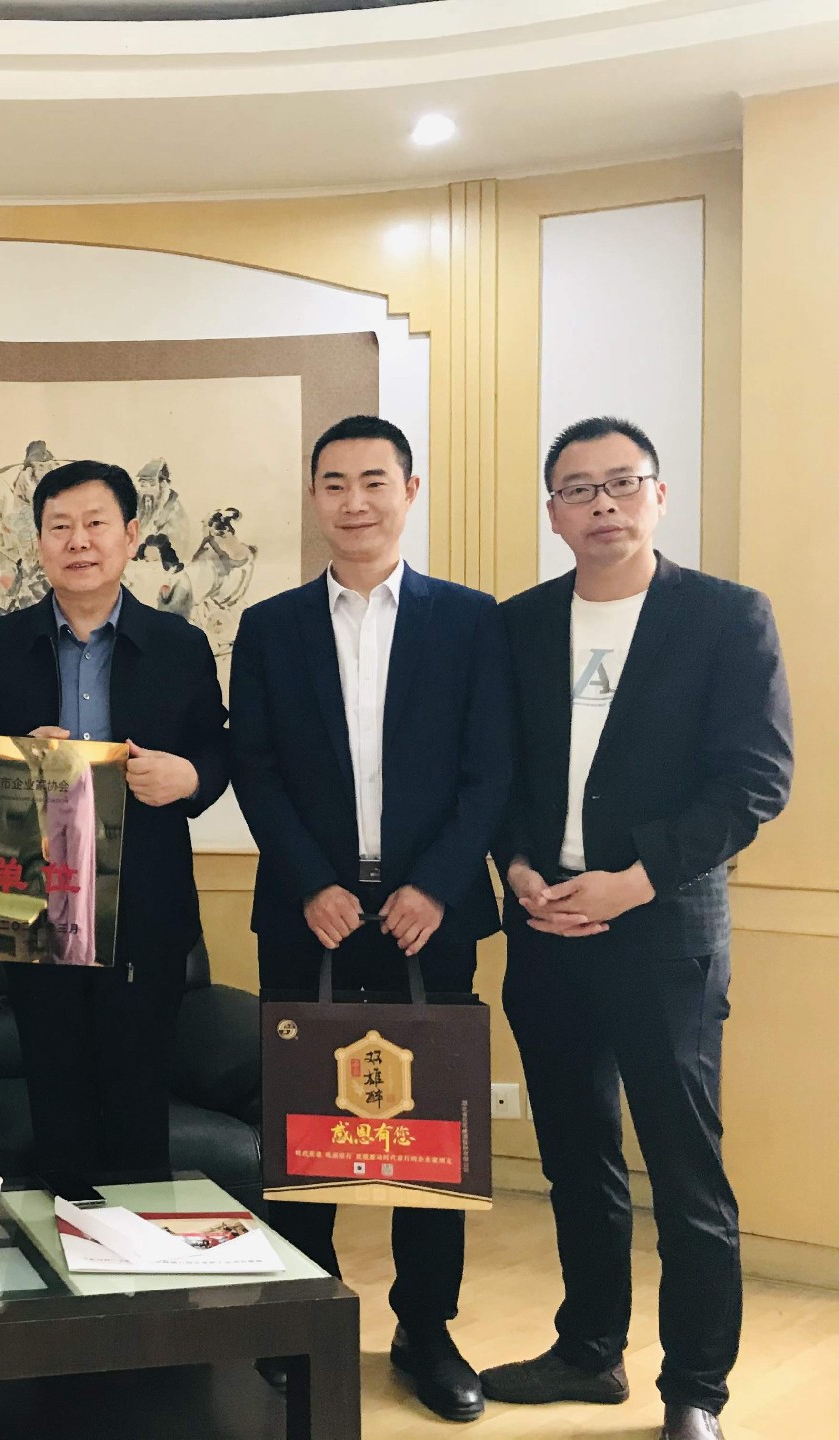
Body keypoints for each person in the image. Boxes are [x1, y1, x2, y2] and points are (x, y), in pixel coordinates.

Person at [481, 418, 792, 1440]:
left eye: (622, 483)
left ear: (658, 495)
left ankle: (696, 1390)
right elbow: (499, 775)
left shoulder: (725, 617)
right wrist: (517, 868)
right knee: (576, 1160)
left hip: (662, 936)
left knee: (685, 1170)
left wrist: (638, 880)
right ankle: (589, 1349)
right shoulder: (519, 625)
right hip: (545, 928)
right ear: (554, 514)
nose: (602, 504)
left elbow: (754, 781)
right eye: (579, 489)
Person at [230, 414, 511, 1422]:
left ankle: (426, 1331)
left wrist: (435, 884)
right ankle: (303, 1317)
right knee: (304, 1123)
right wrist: (311, 879)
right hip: (308, 910)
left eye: (375, 481)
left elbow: (491, 767)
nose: (356, 502)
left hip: (428, 913)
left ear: (410, 490)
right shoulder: (270, 626)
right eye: (335, 483)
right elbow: (254, 766)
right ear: (315, 497)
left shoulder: (470, 621)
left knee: (431, 1130)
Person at [0, 459, 229, 1191]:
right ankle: (63, 1255)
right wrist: (12, 759)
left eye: (96, 523)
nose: (78, 541)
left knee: (139, 1113)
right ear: (38, 542)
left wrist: (190, 777)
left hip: (145, 910)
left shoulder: (179, 645)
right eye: (59, 526)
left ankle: (137, 1257)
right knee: (57, 1109)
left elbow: (220, 748)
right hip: (33, 908)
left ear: (130, 535)